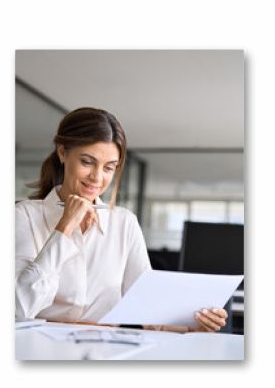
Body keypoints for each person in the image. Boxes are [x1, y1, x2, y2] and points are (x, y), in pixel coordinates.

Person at [15, 107, 228, 333]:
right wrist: (64, 227)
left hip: (103, 351)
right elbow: (18, 309)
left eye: (109, 168)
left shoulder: (124, 223)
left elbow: (150, 310)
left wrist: (196, 326)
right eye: (87, 162)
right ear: (62, 152)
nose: (97, 177)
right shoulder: (25, 215)